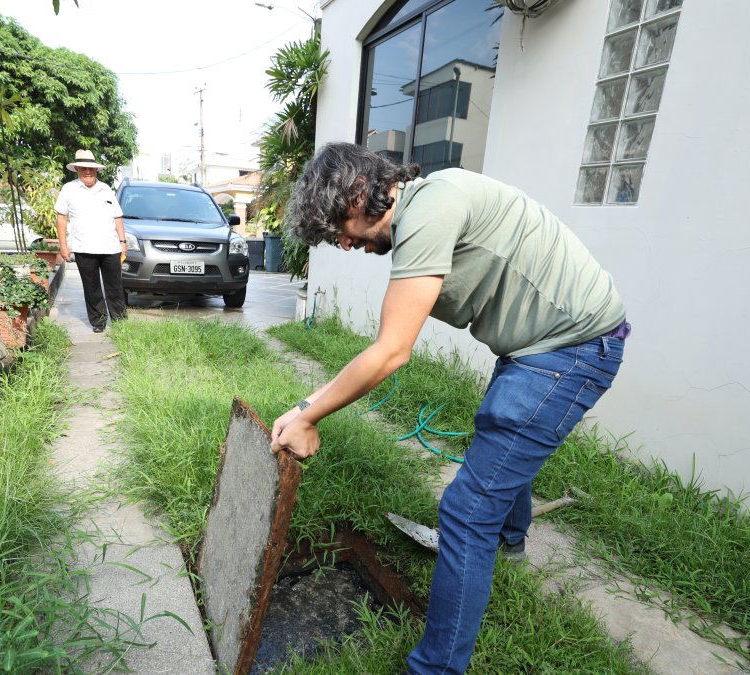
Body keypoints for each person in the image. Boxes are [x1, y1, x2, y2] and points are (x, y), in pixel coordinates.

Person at [270, 142, 629, 674]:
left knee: (466, 513)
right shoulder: (425, 205)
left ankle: (435, 669)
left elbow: (390, 351)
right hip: (538, 347)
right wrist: (305, 406)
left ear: (361, 191)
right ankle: (509, 548)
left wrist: (309, 416)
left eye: (340, 228)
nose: (344, 245)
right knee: (500, 434)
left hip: (571, 350)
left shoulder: (430, 210)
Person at [56, 149, 127, 333]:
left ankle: (120, 322)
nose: (88, 171)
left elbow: (117, 217)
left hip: (111, 247)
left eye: (91, 168)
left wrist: (123, 241)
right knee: (92, 287)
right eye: (83, 168)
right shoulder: (68, 189)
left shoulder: (106, 189)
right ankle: (99, 322)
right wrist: (63, 246)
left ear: (96, 170)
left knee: (115, 287)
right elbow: (61, 218)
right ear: (77, 169)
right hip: (84, 247)